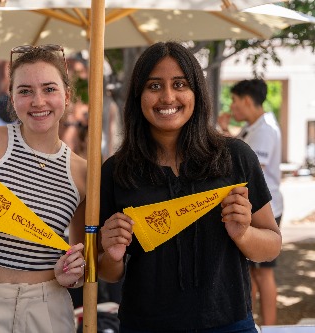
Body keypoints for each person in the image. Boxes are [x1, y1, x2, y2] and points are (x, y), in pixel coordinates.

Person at [97, 41, 282, 332]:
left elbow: (271, 247)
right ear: (138, 95)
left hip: (229, 322)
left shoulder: (235, 157)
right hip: (145, 325)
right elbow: (106, 272)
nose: (168, 97)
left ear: (197, 92)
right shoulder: (115, 171)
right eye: (154, 86)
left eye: (180, 84)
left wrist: (243, 234)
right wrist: (111, 255)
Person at [0, 44, 87, 333]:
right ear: (11, 97)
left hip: (46, 308)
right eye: (25, 91)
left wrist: (73, 272)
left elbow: (80, 259)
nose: (38, 101)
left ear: (67, 96)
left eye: (49, 89)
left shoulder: (82, 172)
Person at [218, 78, 283, 325]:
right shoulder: (254, 127)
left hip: (266, 206)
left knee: (264, 272)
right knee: (252, 273)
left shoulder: (264, 129)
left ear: (247, 100)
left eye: (234, 101)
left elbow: (252, 168)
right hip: (253, 207)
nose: (232, 107)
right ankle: (255, 322)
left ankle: (270, 325)